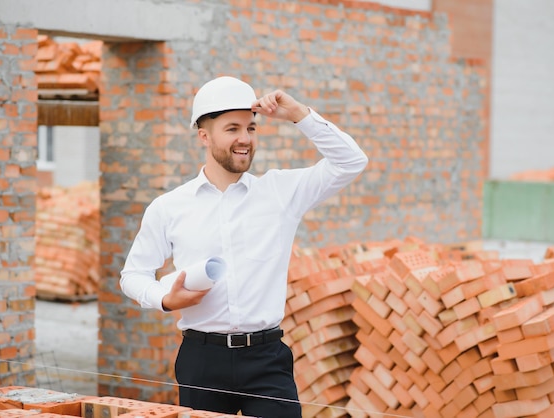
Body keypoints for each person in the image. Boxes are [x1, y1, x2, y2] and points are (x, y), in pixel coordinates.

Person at [120, 76, 368, 417]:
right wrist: (164, 299)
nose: (244, 139)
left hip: (266, 360)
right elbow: (133, 274)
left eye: (251, 129)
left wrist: (299, 114)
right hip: (201, 359)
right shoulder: (169, 207)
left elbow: (351, 162)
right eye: (232, 129)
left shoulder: (280, 193)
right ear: (204, 136)